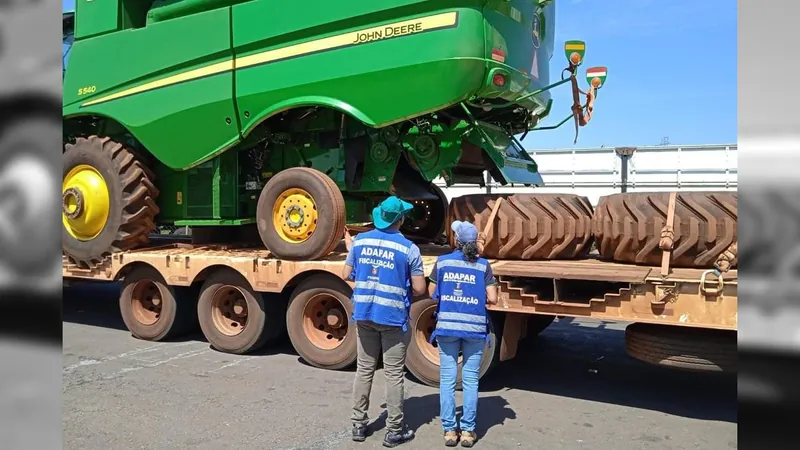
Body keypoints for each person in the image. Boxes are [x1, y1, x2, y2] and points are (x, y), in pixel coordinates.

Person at [342, 196, 428, 448]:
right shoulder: (409, 249)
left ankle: (358, 424)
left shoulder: (360, 241)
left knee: (364, 370)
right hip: (392, 317)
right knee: (393, 374)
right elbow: (420, 288)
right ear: (401, 220)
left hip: (365, 313)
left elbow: (346, 274)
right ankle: (394, 430)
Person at [427, 220, 498, 448]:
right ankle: (468, 431)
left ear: (456, 241)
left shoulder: (443, 263)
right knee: (470, 380)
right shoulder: (483, 265)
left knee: (447, 379)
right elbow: (493, 298)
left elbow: (431, 293)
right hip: (475, 331)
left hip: (447, 328)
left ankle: (449, 430)